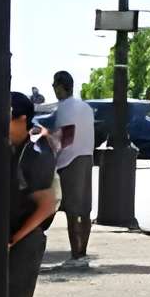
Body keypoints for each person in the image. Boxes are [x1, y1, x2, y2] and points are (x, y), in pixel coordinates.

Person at [5, 91, 66, 297]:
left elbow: (47, 205)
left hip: (26, 240)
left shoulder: (36, 153)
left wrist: (16, 237)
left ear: (21, 119)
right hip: (11, 238)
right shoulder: (11, 146)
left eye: (6, 115)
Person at [48, 69, 96, 262]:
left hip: (69, 161)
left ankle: (75, 254)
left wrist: (47, 144)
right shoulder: (85, 107)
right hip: (87, 157)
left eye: (54, 85)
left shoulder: (64, 108)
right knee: (85, 209)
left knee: (72, 211)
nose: (53, 88)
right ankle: (83, 251)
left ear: (61, 87)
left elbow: (64, 139)